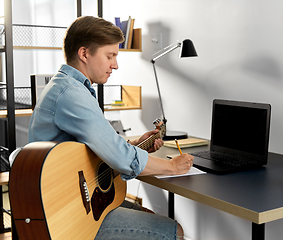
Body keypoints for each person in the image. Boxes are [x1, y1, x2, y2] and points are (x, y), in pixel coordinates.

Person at [28, 16, 194, 240]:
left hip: (72, 202)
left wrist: (136, 145)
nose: (115, 65)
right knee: (174, 232)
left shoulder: (68, 87)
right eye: (110, 56)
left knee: (148, 215)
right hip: (67, 212)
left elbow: (101, 146)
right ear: (84, 54)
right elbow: (120, 157)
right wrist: (172, 167)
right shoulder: (71, 94)